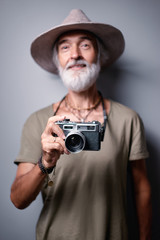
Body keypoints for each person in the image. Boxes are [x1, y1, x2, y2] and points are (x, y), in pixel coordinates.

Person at [10, 9, 152, 240]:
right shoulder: (39, 121)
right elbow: (18, 200)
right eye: (65, 47)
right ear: (58, 60)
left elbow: (142, 189)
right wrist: (45, 162)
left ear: (99, 55)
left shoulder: (128, 120)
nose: (75, 54)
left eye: (85, 45)